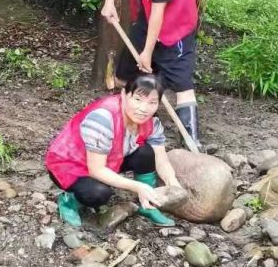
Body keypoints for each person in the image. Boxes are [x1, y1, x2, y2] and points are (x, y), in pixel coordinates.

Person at [100, 0, 201, 145]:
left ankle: (192, 142)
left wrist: (147, 52)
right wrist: (109, 2)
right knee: (125, 74)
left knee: (181, 82)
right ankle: (134, 125)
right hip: (146, 20)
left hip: (176, 27)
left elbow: (160, 12)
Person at [45, 74, 183, 227]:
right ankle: (68, 201)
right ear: (124, 95)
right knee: (98, 194)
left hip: (109, 158)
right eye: (138, 99)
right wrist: (138, 186)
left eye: (152, 102)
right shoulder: (103, 118)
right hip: (70, 166)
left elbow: (161, 158)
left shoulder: (152, 122)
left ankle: (147, 205)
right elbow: (96, 170)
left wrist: (173, 182)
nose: (144, 109)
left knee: (146, 153)